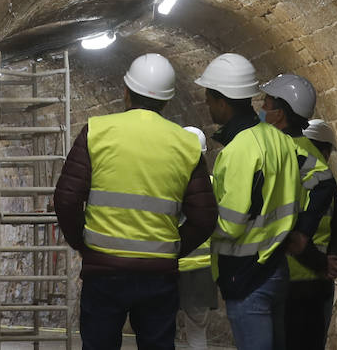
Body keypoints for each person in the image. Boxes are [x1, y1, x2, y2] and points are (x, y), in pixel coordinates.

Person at [53, 53, 216, 350]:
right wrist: (174, 247)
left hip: (104, 270)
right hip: (158, 274)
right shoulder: (186, 144)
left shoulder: (97, 131)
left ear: (126, 92)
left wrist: (83, 243)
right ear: (167, 101)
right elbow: (204, 217)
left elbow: (66, 199)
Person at [195, 53, 301, 350]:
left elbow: (230, 223)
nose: (206, 103)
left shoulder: (240, 149)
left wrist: (193, 221)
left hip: (246, 273)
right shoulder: (280, 140)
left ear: (223, 102)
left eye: (209, 98)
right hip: (275, 266)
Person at [259, 77, 337, 350]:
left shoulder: (282, 156)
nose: (261, 109)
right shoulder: (315, 159)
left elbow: (283, 225)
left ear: (280, 115)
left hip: (291, 280)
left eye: (266, 105)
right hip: (312, 281)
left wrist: (318, 261)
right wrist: (326, 262)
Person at [177, 126, 218, 350]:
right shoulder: (213, 183)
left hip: (169, 262)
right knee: (197, 331)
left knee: (159, 326)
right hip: (203, 267)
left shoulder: (167, 180)